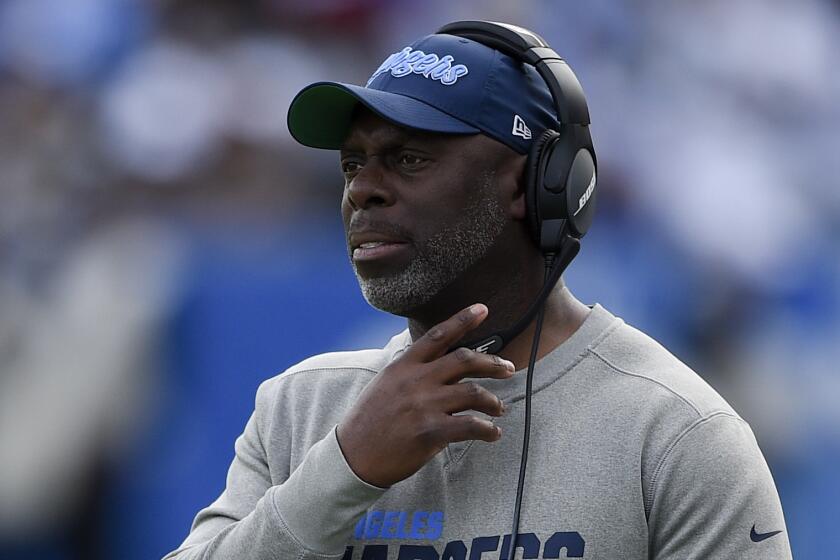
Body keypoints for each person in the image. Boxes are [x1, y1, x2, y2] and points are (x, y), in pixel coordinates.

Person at [163, 23, 791, 560]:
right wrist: (345, 469)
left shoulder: (678, 433)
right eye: (353, 164)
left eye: (409, 159)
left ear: (540, 185)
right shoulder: (299, 407)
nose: (363, 190)